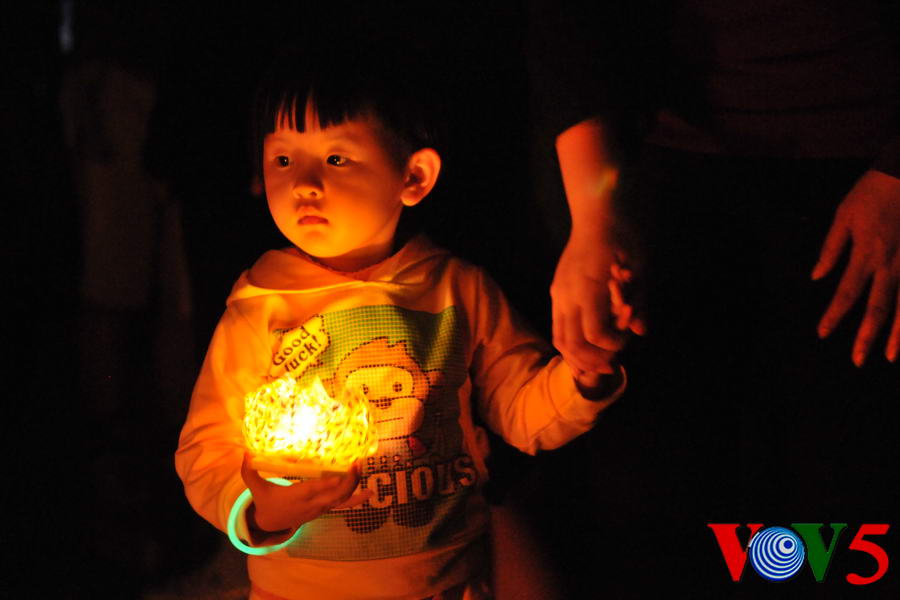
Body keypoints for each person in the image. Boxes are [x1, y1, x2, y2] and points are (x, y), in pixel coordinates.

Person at [175, 41, 629, 600]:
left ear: (414, 176)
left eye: (336, 158)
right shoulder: (260, 306)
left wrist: (582, 377)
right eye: (283, 160)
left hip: (446, 585)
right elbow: (205, 451)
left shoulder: (455, 290)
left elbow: (522, 412)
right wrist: (258, 512)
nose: (304, 183)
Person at [528, 0, 900, 594]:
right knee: (661, 501)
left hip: (864, 176)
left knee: (833, 500)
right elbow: (568, 27)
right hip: (664, 157)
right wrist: (593, 217)